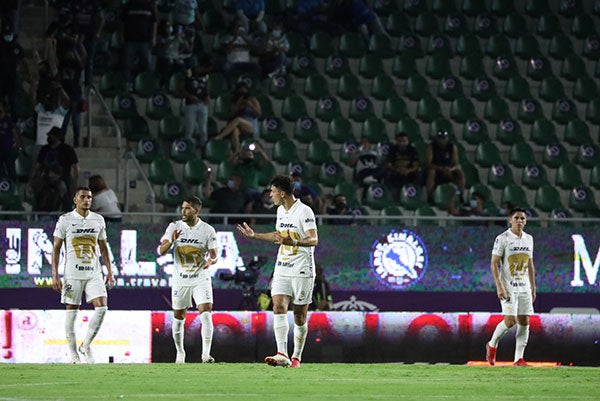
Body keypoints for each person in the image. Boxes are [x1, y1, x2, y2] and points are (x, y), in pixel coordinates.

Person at [237, 174, 318, 368]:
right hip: (282, 267)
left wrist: (294, 241)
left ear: (282, 193)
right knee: (278, 307)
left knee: (299, 315)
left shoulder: (304, 211)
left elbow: (313, 239)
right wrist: (254, 235)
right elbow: (277, 237)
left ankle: (296, 357)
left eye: (272, 192)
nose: (270, 195)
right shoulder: (281, 211)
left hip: (302, 269)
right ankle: (282, 353)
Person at [51, 187, 115, 364]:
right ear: (75, 200)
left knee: (102, 308)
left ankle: (85, 346)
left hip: (94, 273)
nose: (86, 200)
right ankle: (73, 354)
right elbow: (56, 249)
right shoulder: (65, 220)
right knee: (71, 313)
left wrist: (110, 272)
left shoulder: (98, 219)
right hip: (72, 274)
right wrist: (55, 275)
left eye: (89, 197)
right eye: (83, 197)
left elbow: (103, 248)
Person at [158, 196, 218, 364]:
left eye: (187, 209)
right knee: (178, 317)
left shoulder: (207, 230)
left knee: (206, 313)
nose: (183, 211)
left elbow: (214, 255)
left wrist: (211, 261)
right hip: (180, 279)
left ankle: (205, 355)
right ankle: (180, 353)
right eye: (182, 208)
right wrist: (172, 241)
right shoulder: (174, 227)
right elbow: (161, 250)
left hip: (200, 277)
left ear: (196, 210)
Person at [485, 207, 536, 367]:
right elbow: (494, 263)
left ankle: (518, 359)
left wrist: (533, 287)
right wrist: (499, 286)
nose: (520, 221)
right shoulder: (503, 238)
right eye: (517, 218)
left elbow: (530, 263)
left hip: (524, 286)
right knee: (510, 320)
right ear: (510, 220)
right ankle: (492, 344)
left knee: (524, 320)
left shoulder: (529, 239)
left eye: (523, 218)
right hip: (508, 286)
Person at [28, 127, 79, 212]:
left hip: (63, 178)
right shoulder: (45, 149)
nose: (49, 138)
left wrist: (75, 183)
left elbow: (75, 168)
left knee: (65, 194)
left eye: (51, 136)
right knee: (38, 193)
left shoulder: (67, 149)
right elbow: (37, 166)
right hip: (46, 178)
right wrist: (31, 180)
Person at [214, 83, 261, 153]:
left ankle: (220, 136)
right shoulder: (235, 101)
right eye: (241, 93)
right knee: (235, 130)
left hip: (250, 125)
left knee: (238, 120)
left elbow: (259, 114)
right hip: (240, 127)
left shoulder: (253, 100)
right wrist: (239, 105)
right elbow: (231, 114)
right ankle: (237, 150)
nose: (243, 95)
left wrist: (251, 106)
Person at [425, 130, 465, 202]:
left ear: (447, 138)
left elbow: (456, 163)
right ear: (437, 138)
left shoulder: (452, 147)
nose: (442, 140)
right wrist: (440, 168)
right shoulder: (431, 147)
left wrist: (450, 169)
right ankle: (429, 196)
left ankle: (460, 194)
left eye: (444, 138)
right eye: (440, 138)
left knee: (460, 173)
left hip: (448, 170)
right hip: (436, 169)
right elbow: (428, 163)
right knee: (431, 172)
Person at [384, 132, 422, 200]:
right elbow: (388, 164)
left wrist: (408, 170)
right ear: (397, 141)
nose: (402, 143)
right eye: (400, 141)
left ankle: (414, 194)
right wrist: (396, 169)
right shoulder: (393, 149)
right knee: (387, 173)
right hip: (395, 170)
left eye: (404, 141)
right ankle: (391, 195)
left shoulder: (412, 150)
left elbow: (416, 165)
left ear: (408, 141)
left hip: (408, 171)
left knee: (419, 174)